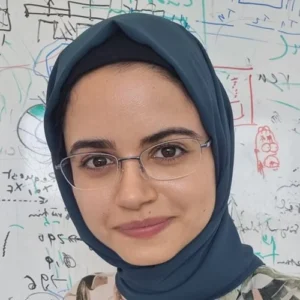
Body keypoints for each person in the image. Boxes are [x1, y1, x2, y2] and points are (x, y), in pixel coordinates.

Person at [44, 13, 300, 300]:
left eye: (168, 151)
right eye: (97, 161)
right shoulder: (86, 295)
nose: (132, 196)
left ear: (219, 155)